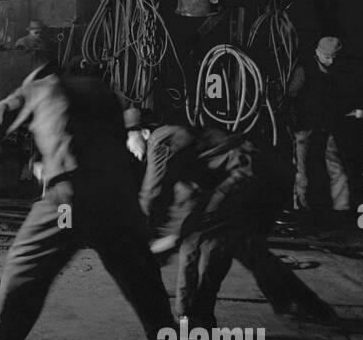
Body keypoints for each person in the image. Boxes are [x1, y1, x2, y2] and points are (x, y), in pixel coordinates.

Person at [0, 61, 175, 340]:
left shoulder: (43, 88)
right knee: (138, 270)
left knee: (26, 268)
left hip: (70, 202)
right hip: (120, 198)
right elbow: (88, 141)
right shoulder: (102, 93)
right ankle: (168, 335)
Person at [140, 125, 335, 328]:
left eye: (127, 138)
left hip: (247, 174)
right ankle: (301, 304)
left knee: (209, 245)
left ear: (143, 132)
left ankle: (197, 317)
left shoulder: (159, 139)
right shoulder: (193, 159)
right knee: (245, 248)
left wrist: (145, 234)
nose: (128, 148)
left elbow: (152, 190)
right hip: (267, 174)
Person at [287, 35, 351, 213]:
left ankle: (342, 209)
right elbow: (291, 98)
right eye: (327, 57)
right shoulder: (304, 70)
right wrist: (295, 125)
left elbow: (335, 101)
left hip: (325, 128)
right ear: (317, 52)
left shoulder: (335, 74)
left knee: (337, 169)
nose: (330, 61)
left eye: (333, 58)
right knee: (301, 171)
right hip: (304, 128)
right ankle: (299, 210)